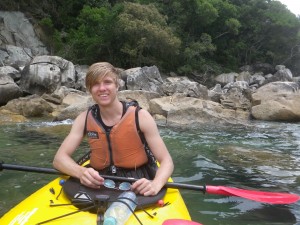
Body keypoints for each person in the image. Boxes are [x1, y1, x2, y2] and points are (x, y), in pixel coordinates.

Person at [53, 62, 174, 196]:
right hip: (99, 180)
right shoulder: (83, 119)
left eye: (107, 82)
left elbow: (166, 161)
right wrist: (81, 172)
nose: (102, 88)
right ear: (90, 89)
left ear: (117, 86)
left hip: (137, 179)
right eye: (95, 84)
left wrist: (155, 184)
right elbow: (59, 160)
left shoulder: (140, 116)